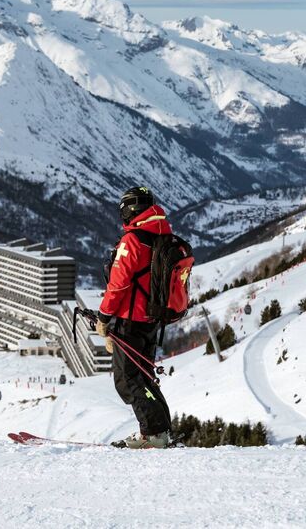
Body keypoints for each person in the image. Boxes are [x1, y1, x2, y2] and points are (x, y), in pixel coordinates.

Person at [95, 187, 172, 449]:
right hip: (151, 320)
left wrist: (104, 317)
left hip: (129, 319)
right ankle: (159, 431)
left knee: (128, 380)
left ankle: (153, 435)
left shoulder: (133, 240)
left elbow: (118, 284)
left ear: (130, 210)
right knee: (143, 376)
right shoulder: (162, 235)